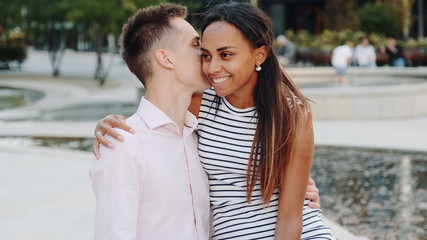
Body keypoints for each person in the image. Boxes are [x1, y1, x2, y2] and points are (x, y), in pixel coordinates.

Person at [94, 2, 335, 239]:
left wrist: (297, 183)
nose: (211, 66)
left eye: (225, 54)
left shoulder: (291, 114)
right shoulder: (199, 105)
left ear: (259, 55)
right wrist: (107, 126)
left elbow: (291, 217)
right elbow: (156, 109)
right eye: (203, 52)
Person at [89, 4, 211, 240]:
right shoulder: (122, 145)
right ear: (165, 58)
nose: (206, 54)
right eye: (196, 45)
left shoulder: (199, 135)